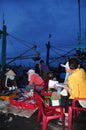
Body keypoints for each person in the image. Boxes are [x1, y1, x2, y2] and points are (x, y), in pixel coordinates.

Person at [60, 57, 86, 126]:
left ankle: (66, 116)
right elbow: (79, 82)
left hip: (82, 100)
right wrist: (68, 85)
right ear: (78, 66)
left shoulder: (71, 77)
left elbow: (75, 94)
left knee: (65, 96)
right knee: (65, 93)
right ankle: (64, 114)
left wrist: (67, 88)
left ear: (70, 68)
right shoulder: (82, 71)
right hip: (84, 94)